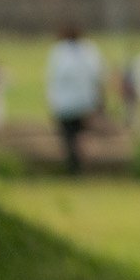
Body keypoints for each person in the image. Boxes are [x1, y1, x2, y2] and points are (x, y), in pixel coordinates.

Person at [45, 24, 106, 175]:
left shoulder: (59, 52)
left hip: (64, 103)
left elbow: (52, 78)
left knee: (69, 137)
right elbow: (97, 76)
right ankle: (82, 166)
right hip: (85, 101)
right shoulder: (89, 50)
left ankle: (74, 167)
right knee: (81, 136)